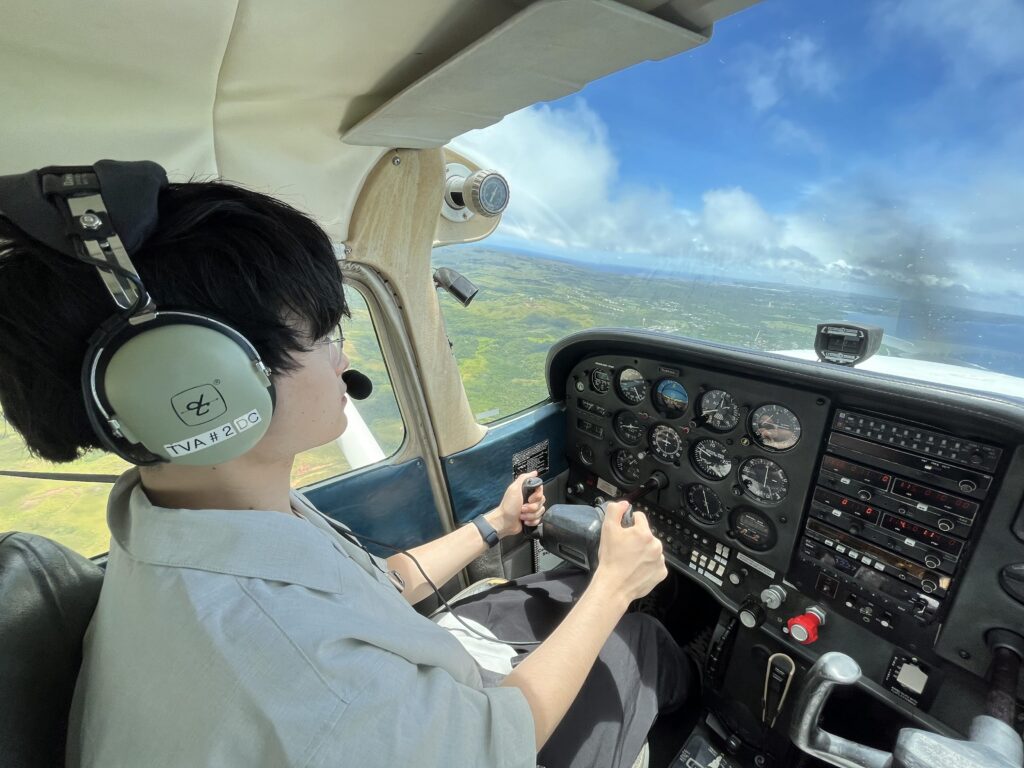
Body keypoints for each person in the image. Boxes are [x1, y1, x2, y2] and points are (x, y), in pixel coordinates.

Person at [0, 176, 693, 767]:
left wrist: (493, 525)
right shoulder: (293, 669)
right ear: (198, 384)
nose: (340, 358)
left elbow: (370, 591)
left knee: (549, 586)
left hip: (418, 708)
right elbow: (495, 744)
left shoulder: (182, 524)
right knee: (637, 644)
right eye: (323, 331)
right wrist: (615, 586)